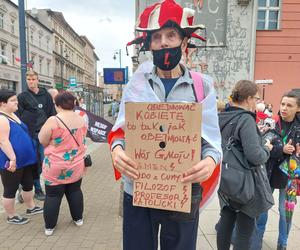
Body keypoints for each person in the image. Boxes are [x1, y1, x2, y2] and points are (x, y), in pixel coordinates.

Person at [108, 1, 222, 249]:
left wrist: (210, 161)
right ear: (148, 44)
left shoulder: (202, 86)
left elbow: (212, 141)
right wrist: (116, 150)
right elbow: (119, 131)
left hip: (181, 191)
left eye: (171, 35)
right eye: (156, 37)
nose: (163, 43)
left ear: (184, 41)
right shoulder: (135, 86)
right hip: (139, 189)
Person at [217, 80, 274, 250]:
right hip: (246, 183)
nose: (257, 102)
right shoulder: (245, 119)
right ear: (248, 98)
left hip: (226, 178)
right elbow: (255, 156)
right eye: (256, 98)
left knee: (225, 221)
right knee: (244, 231)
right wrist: (267, 148)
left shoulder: (221, 116)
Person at [251, 91, 300, 250]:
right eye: (283, 104)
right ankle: (256, 242)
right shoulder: (270, 122)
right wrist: (281, 149)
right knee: (262, 207)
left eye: (289, 105)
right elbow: (261, 146)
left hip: (290, 176)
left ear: (298, 108)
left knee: (285, 211)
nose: (284, 108)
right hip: (269, 172)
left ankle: (282, 243)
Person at [38, 91, 87, 236]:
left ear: (57, 104)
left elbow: (42, 139)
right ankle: (78, 219)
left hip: (56, 164)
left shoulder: (54, 120)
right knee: (75, 190)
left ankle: (49, 227)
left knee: (53, 195)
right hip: (76, 162)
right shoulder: (81, 119)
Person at [0, 89, 43, 225]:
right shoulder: (2, 118)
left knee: (28, 185)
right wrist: (12, 158)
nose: (16, 102)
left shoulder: (12, 114)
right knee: (10, 189)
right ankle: (11, 216)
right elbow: (3, 141)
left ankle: (31, 207)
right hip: (12, 161)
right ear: (2, 103)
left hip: (25, 160)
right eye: (12, 100)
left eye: (15, 99)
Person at [16, 70, 56, 201]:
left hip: (44, 135)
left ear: (37, 79)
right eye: (28, 79)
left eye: (33, 79)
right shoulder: (22, 97)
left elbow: (52, 115)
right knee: (32, 162)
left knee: (43, 163)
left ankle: (30, 188)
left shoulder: (46, 95)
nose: (31, 82)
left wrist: (53, 134)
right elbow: (18, 118)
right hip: (30, 135)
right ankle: (32, 189)